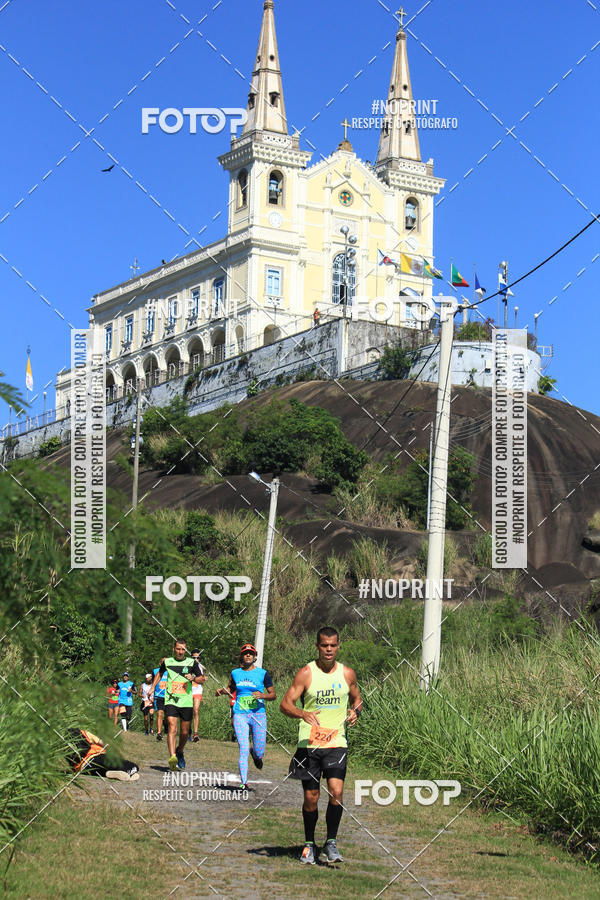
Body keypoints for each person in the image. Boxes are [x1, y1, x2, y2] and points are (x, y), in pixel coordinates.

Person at [280, 626, 362, 866]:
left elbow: (358, 699)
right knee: (311, 798)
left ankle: (331, 842)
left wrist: (354, 711)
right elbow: (285, 704)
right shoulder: (306, 673)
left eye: (333, 645)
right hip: (310, 744)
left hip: (337, 742)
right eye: (324, 645)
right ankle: (308, 845)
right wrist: (302, 713)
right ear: (317, 646)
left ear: (338, 646)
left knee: (336, 792)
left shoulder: (347, 674)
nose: (328, 649)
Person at [216, 642, 275, 790]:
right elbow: (230, 688)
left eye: (251, 653)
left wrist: (262, 695)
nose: (248, 655)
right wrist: (222, 691)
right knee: (243, 747)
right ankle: (244, 782)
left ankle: (256, 755)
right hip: (240, 715)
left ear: (255, 657)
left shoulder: (263, 673)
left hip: (258, 715)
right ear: (242, 656)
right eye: (245, 653)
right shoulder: (235, 673)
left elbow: (273, 695)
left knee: (260, 750)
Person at [149, 639, 205, 771]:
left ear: (185, 650)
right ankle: (172, 757)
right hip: (171, 700)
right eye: (178, 649)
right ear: (174, 649)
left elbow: (201, 679)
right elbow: (160, 673)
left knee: (185, 732)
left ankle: (179, 751)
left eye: (183, 650)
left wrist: (194, 678)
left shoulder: (192, 663)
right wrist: (152, 688)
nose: (180, 652)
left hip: (186, 701)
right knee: (172, 727)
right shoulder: (168, 661)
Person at [190, 650, 204, 742]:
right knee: (187, 712)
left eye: (198, 657)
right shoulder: (188, 665)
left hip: (198, 690)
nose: (196, 659)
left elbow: (202, 678)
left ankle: (195, 733)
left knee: (196, 710)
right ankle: (187, 731)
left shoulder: (201, 667)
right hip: (188, 691)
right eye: (194, 657)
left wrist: (203, 678)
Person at [153, 658, 167, 742]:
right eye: (163, 662)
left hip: (169, 696)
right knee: (159, 714)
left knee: (168, 717)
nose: (164, 663)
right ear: (160, 663)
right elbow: (153, 682)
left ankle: (166, 728)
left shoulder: (171, 671)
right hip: (159, 696)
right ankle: (159, 733)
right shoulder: (155, 671)